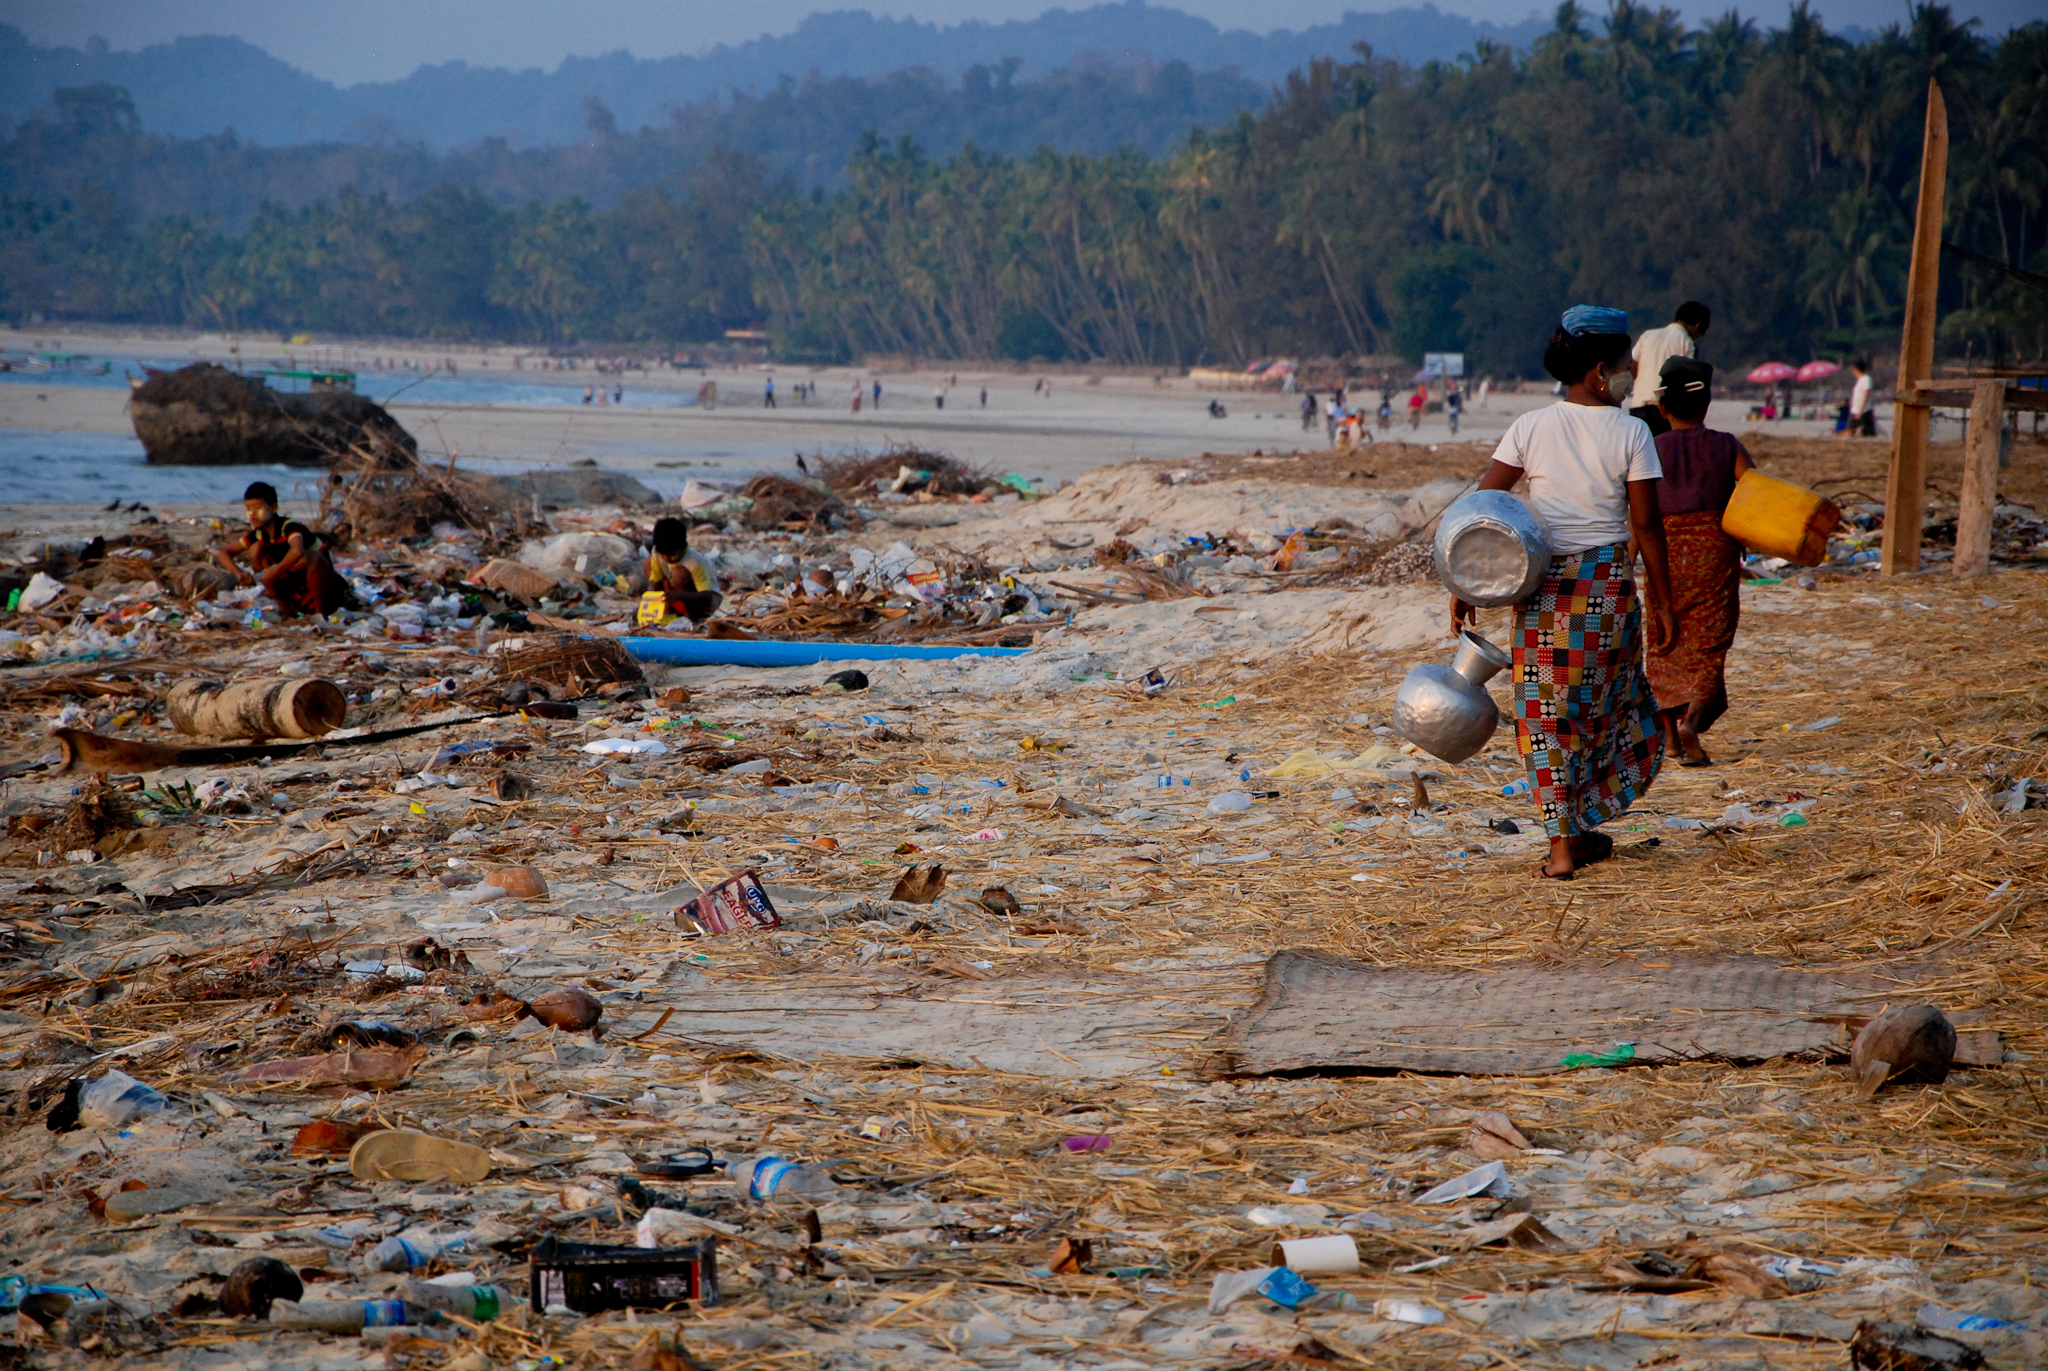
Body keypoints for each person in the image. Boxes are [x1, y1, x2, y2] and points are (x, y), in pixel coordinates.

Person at [1451, 305, 1675, 880]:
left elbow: (1483, 510)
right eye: (1626, 363)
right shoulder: (1634, 432)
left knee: (1544, 719)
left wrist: (1464, 582)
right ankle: (1580, 825)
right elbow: (1647, 526)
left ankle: (1562, 847)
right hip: (1606, 590)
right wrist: (1665, 601)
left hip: (1541, 593)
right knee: (1605, 711)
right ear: (1600, 372)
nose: (1632, 373)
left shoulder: (1530, 426)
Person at [1643, 356, 1753, 768]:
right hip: (1713, 551)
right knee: (1709, 645)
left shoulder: (1651, 449)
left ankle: (1671, 739)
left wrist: (1630, 557)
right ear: (1707, 404)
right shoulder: (1727, 445)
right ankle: (1692, 723)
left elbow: (1638, 512)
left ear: (1662, 408)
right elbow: (1755, 491)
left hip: (1663, 552)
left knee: (1665, 641)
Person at [212, 481, 352, 619]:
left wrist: (274, 572)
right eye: (248, 509)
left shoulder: (289, 527)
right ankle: (286, 609)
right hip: (296, 592)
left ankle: (320, 615)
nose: (252, 514)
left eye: (258, 508)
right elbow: (223, 552)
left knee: (314, 557)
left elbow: (297, 551)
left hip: (327, 593)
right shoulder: (260, 534)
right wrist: (239, 574)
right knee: (256, 550)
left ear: (274, 507)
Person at [1627, 300, 1710, 437]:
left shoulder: (1648, 335)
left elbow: (1632, 364)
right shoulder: (1687, 343)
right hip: (1666, 411)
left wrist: (1641, 382)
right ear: (1698, 325)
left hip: (1639, 406)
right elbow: (1690, 379)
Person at [645, 517, 721, 624]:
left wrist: (680, 595)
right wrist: (651, 595)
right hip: (677, 594)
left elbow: (707, 596)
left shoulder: (694, 561)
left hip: (706, 601)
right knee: (648, 564)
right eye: (663, 555)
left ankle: (692, 617)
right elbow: (656, 578)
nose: (667, 559)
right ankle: (668, 612)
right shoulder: (657, 552)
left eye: (673, 556)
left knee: (679, 573)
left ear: (684, 546)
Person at [1847, 358, 1876, 437]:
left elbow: (1866, 395)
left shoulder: (1866, 379)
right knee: (1850, 431)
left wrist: (1861, 410)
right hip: (1854, 410)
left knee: (1867, 433)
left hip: (1864, 410)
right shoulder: (1859, 380)